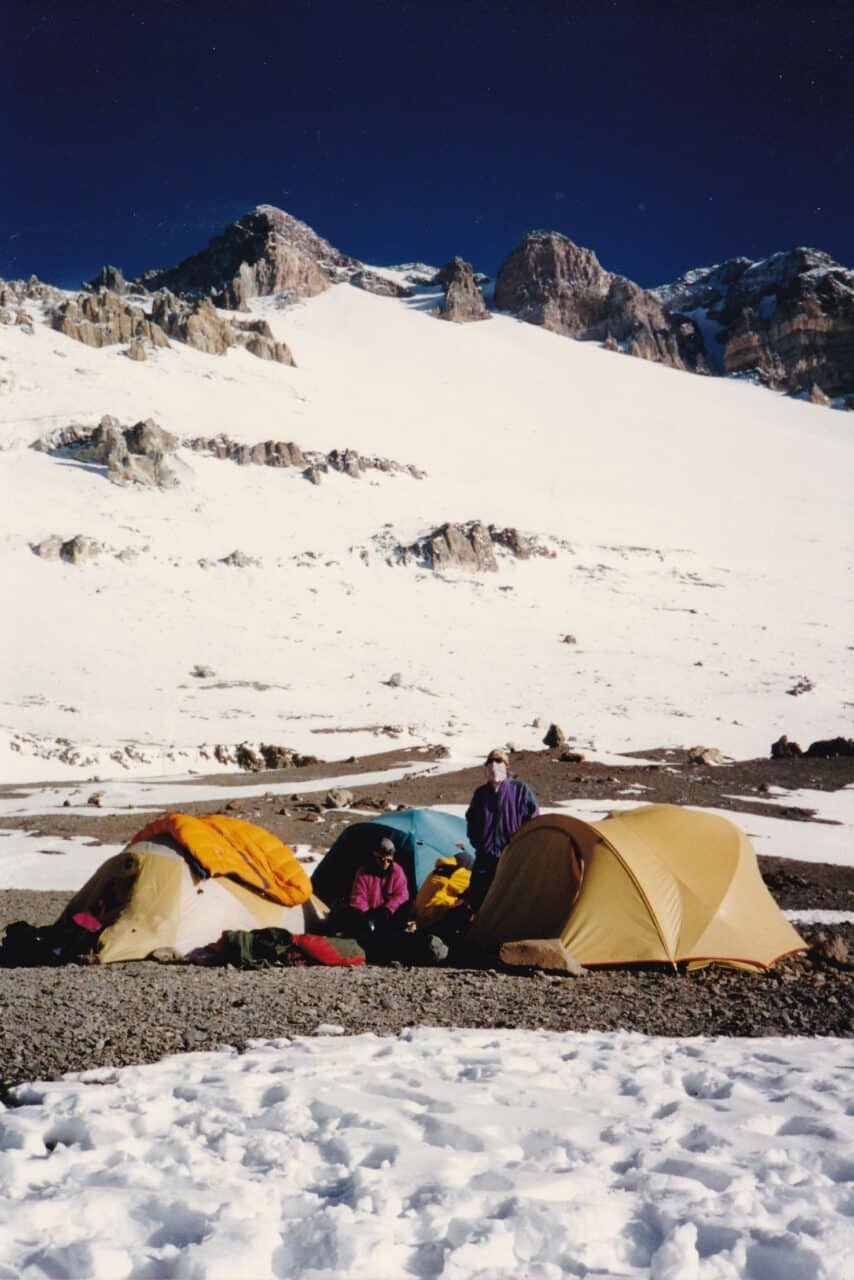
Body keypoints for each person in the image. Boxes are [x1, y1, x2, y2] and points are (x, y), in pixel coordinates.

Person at [465, 748, 539, 910]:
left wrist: (521, 846)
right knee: (479, 898)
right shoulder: (481, 793)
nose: (494, 766)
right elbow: (472, 820)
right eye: (490, 762)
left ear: (506, 765)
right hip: (485, 857)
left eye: (498, 761)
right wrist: (479, 843)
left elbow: (533, 819)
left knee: (510, 898)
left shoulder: (520, 790)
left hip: (512, 855)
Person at [331, 837, 411, 950]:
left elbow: (402, 895)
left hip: (387, 914)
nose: (385, 864)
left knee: (404, 910)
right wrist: (366, 916)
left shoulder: (397, 871)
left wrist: (388, 909)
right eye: (381, 859)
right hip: (368, 914)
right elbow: (358, 897)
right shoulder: (364, 872)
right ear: (374, 857)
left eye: (389, 860)